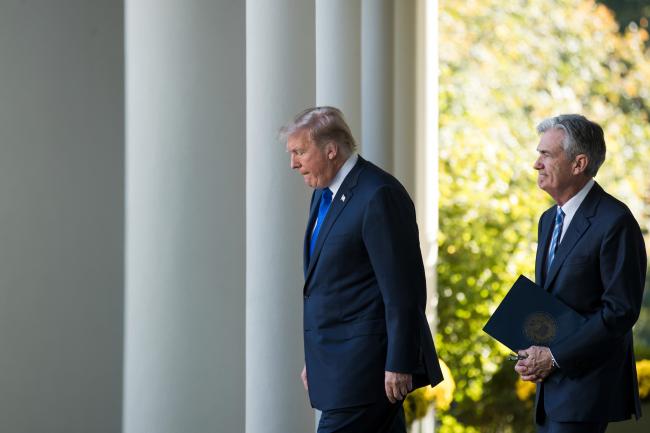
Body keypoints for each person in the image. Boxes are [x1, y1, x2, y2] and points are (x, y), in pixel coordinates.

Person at [281, 106, 443, 433]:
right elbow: (336, 287)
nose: (293, 164)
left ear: (331, 150)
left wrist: (399, 363)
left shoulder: (378, 194)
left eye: (300, 152)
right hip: (341, 364)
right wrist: (317, 359)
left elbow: (403, 290)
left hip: (368, 370)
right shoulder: (323, 195)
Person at [514, 114, 647, 433]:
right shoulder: (548, 219)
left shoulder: (615, 221)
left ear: (579, 163)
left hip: (586, 391)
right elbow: (551, 299)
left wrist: (554, 356)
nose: (536, 164)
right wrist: (529, 352)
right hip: (549, 390)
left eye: (546, 154)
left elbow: (620, 311)